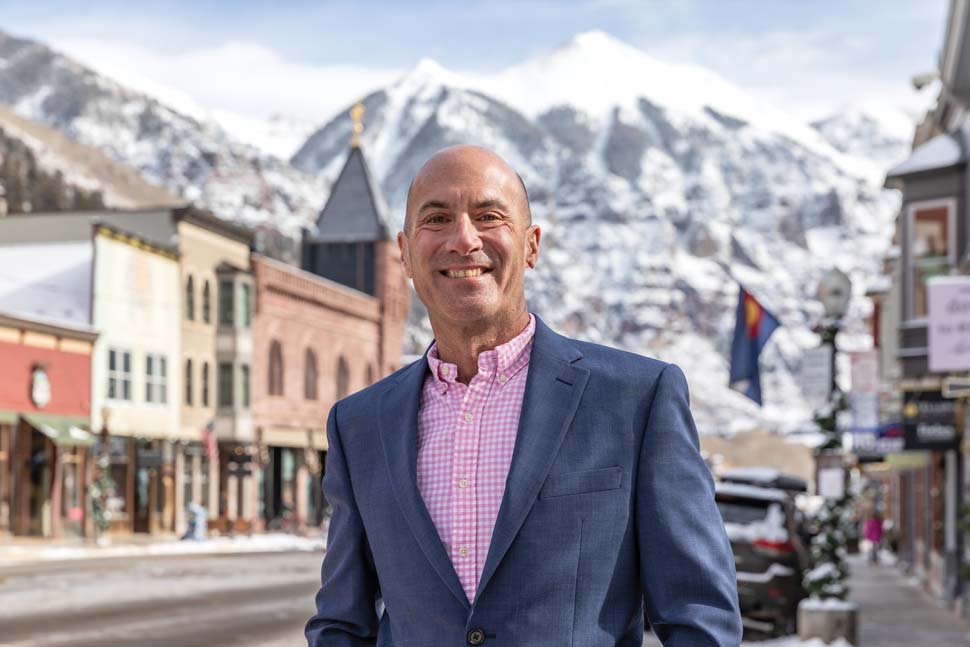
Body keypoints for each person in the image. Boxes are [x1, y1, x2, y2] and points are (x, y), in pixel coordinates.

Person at [305, 145, 742, 646]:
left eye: (488, 216)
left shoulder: (637, 400)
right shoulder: (359, 425)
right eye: (437, 218)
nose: (463, 239)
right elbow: (341, 621)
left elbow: (700, 617)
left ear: (532, 245)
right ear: (404, 252)